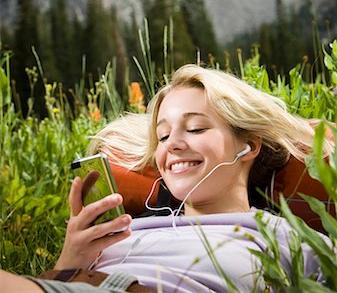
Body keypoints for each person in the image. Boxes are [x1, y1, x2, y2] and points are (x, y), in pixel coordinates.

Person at [1, 64, 333, 293]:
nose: (172, 144)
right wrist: (70, 259)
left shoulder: (285, 237)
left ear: (248, 146)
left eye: (196, 128)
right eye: (161, 136)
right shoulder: (121, 232)